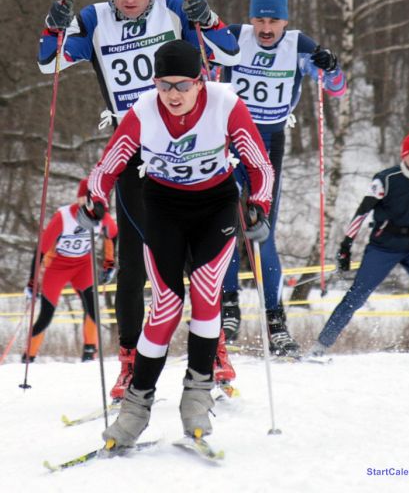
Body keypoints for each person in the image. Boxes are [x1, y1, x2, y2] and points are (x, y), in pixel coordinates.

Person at [37, 0, 240, 398]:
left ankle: (214, 350)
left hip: (181, 144)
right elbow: (50, 63)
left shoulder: (172, 9)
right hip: (131, 144)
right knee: (133, 261)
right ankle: (130, 359)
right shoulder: (92, 19)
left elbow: (231, 49)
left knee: (193, 253)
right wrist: (53, 26)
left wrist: (209, 20)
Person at [82, 39, 273, 447]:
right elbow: (107, 167)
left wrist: (259, 205)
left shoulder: (225, 103)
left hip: (215, 206)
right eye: (164, 85)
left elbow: (259, 164)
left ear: (200, 82)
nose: (172, 94)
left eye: (182, 85)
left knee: (206, 293)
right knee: (166, 307)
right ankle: (136, 408)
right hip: (164, 207)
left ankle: (197, 398)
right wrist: (94, 200)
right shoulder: (142, 111)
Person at [221, 0, 347, 356]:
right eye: (259, 19)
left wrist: (331, 65)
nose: (265, 27)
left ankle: (275, 320)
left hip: (269, 144)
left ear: (285, 20)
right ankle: (228, 307)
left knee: (263, 231)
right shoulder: (233, 37)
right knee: (224, 225)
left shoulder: (298, 44)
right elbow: (199, 59)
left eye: (273, 20)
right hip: (228, 141)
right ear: (250, 18)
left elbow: (336, 88)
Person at [308, 131, 409, 356]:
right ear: (405, 156)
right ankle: (321, 346)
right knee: (358, 295)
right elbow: (362, 213)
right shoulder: (386, 179)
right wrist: (346, 246)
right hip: (384, 245)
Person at [22, 179, 117, 362]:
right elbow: (41, 249)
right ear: (79, 198)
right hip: (57, 267)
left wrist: (109, 264)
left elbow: (112, 235)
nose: (90, 203)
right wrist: (33, 281)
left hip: (83, 266)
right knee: (46, 314)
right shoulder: (63, 216)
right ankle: (29, 357)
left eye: (95, 199)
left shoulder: (101, 215)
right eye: (85, 198)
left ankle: (89, 354)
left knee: (93, 309)